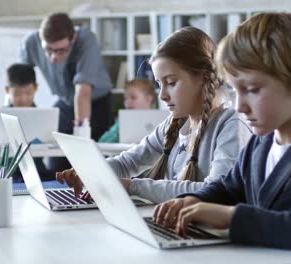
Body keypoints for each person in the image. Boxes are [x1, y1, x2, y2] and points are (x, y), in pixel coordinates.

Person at [153, 12, 291, 264]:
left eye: (252, 90)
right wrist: (194, 200)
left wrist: (232, 217)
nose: (240, 106)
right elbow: (228, 188)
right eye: (235, 90)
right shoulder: (260, 143)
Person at [56, 26, 252, 203]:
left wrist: (132, 187)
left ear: (204, 78)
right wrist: (89, 172)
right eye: (159, 84)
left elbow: (214, 192)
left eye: (172, 82)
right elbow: (128, 163)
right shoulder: (174, 124)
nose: (163, 95)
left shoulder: (231, 125)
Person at [19, 12, 113, 172]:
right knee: (56, 164)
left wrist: (81, 138)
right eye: (48, 49)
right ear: (40, 38)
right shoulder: (31, 42)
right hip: (65, 102)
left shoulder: (86, 39)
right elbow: (20, 82)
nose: (53, 57)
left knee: (95, 163)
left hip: (95, 102)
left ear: (73, 38)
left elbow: (83, 91)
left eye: (60, 51)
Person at [0, 63, 54, 182]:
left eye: (28, 93)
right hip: (8, 174)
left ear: (35, 88)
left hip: (37, 172)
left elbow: (50, 142)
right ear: (7, 90)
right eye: (17, 94)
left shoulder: (43, 118)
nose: (23, 99)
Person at [99, 78, 156, 143]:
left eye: (133, 97)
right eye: (125, 98)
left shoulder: (160, 120)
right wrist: (119, 129)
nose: (128, 102)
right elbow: (102, 141)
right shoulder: (122, 121)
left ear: (148, 99)